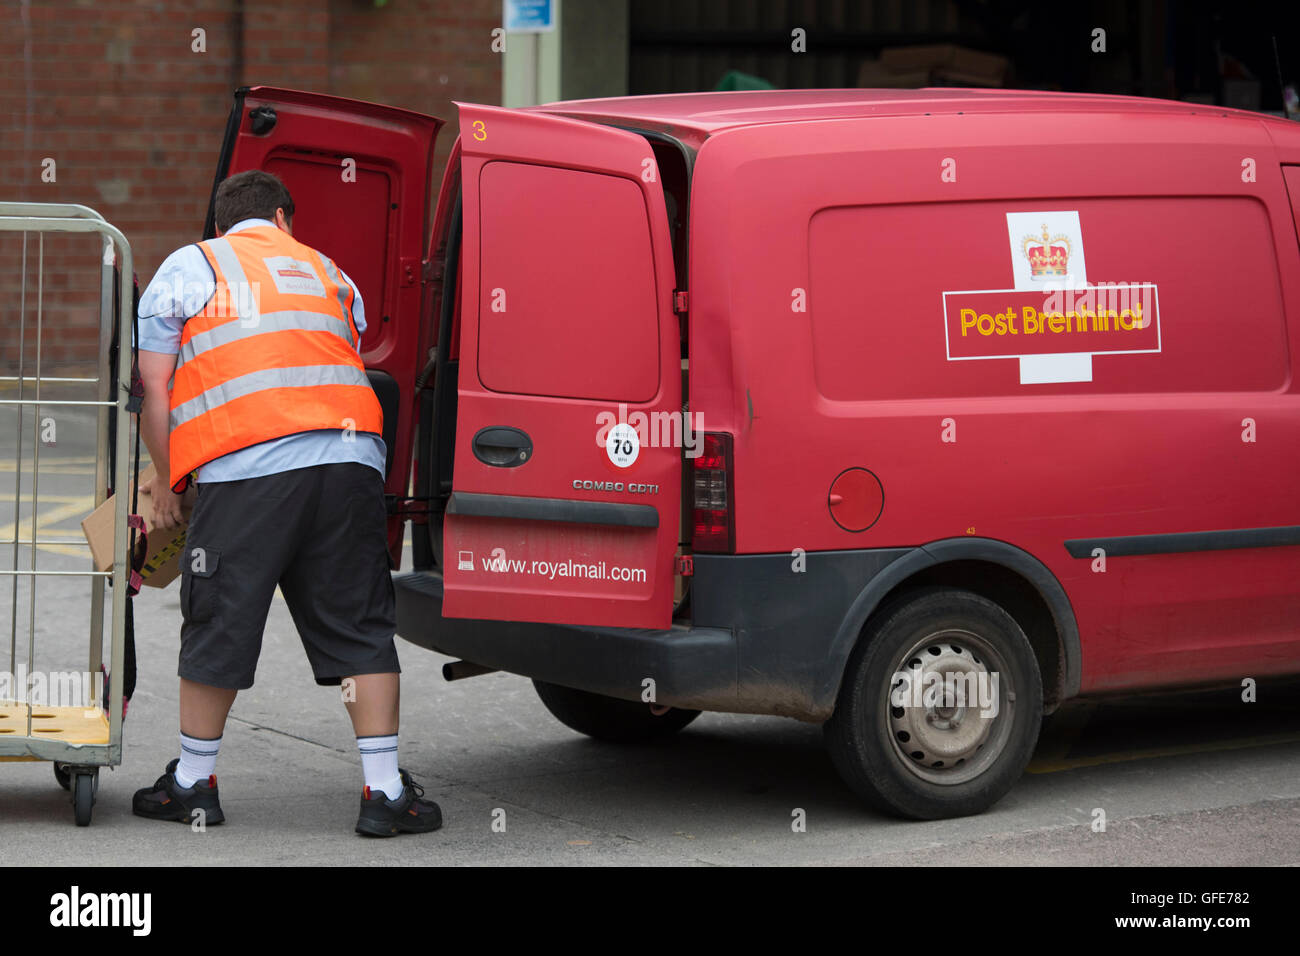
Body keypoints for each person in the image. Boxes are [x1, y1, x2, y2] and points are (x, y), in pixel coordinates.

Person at [130, 169, 442, 836]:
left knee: (219, 617)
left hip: (245, 469)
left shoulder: (192, 264)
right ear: (284, 220)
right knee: (360, 623)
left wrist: (168, 481)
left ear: (221, 225)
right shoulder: (331, 274)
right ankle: (384, 793)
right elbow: (336, 361)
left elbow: (154, 391)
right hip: (349, 463)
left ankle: (193, 784)